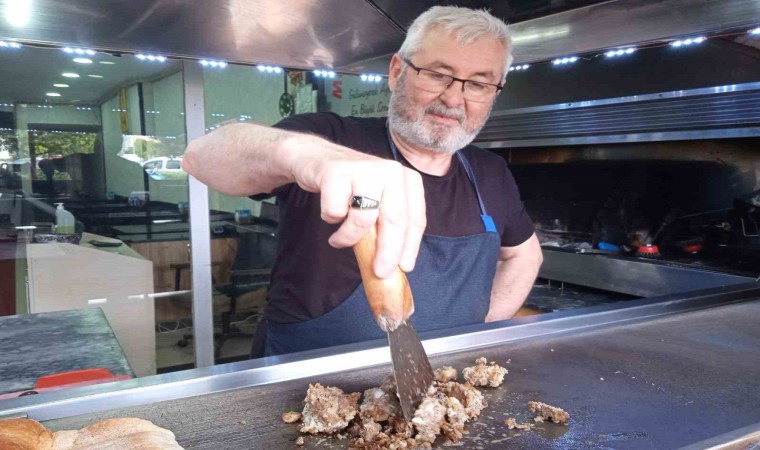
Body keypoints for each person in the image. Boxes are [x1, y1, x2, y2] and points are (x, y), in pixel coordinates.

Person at [183, 6, 543, 357]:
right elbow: (200, 157)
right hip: (307, 381)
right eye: (437, 74)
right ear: (397, 72)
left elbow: (525, 255)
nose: (453, 98)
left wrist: (479, 330)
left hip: (447, 383)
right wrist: (310, 156)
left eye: (478, 84)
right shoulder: (328, 136)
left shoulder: (490, 171)